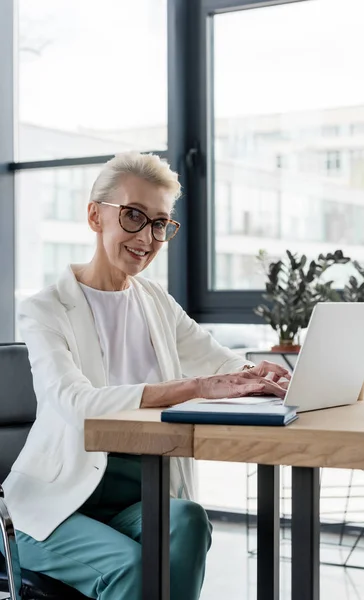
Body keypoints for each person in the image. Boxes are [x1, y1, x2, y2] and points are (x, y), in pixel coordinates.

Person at [2, 152, 290, 600]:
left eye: (160, 223)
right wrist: (195, 387)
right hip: (52, 508)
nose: (148, 237)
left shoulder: (155, 300)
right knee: (134, 569)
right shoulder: (45, 308)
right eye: (134, 216)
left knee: (189, 521)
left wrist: (261, 375)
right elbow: (77, 403)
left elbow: (219, 362)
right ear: (96, 216)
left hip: (141, 494)